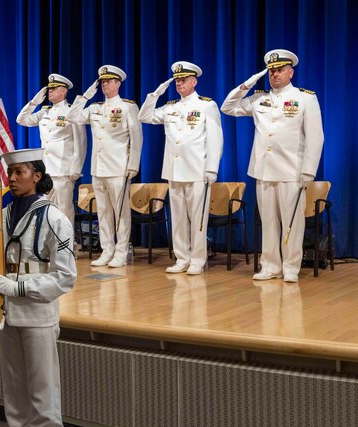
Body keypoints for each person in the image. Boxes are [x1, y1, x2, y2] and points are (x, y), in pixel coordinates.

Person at [0, 148, 77, 427]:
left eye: (19, 172)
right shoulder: (2, 216)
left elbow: (65, 278)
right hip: (6, 315)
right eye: (9, 173)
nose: (11, 178)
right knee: (15, 391)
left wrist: (19, 286)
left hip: (37, 315)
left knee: (42, 389)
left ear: (37, 176)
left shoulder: (54, 218)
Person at [221, 49, 324, 283]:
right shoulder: (258, 98)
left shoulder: (305, 98)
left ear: (291, 72)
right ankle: (270, 265)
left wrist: (308, 169)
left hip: (292, 170)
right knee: (267, 221)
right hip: (264, 169)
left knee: (292, 222)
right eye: (271, 71)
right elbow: (227, 107)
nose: (274, 74)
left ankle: (290, 266)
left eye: (279, 70)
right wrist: (248, 83)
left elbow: (316, 137)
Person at [139, 61, 223, 275]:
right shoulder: (170, 107)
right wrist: (156, 93)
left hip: (197, 170)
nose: (179, 83)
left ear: (194, 81)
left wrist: (212, 168)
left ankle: (197, 260)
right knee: (177, 218)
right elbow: (144, 116)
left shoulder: (206, 105)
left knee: (197, 219)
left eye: (183, 80)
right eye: (177, 80)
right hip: (174, 171)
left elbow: (215, 139)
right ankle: (181, 258)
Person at [67, 65, 143, 268]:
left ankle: (121, 252)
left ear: (118, 83)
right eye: (102, 81)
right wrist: (86, 95)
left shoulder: (128, 106)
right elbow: (71, 117)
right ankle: (107, 250)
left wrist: (133, 164)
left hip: (119, 167)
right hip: (98, 168)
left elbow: (137, 138)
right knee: (103, 213)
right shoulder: (94, 107)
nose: (105, 84)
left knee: (121, 213)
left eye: (109, 81)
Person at [16, 73, 87, 225]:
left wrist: (76, 167)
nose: (50, 92)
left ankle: (67, 243)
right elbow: (21, 119)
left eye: (54, 89)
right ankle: (48, 243)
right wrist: (34, 102)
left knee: (64, 209)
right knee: (45, 209)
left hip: (63, 170)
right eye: (49, 89)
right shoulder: (44, 112)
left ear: (64, 91)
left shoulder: (71, 112)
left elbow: (80, 142)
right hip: (46, 169)